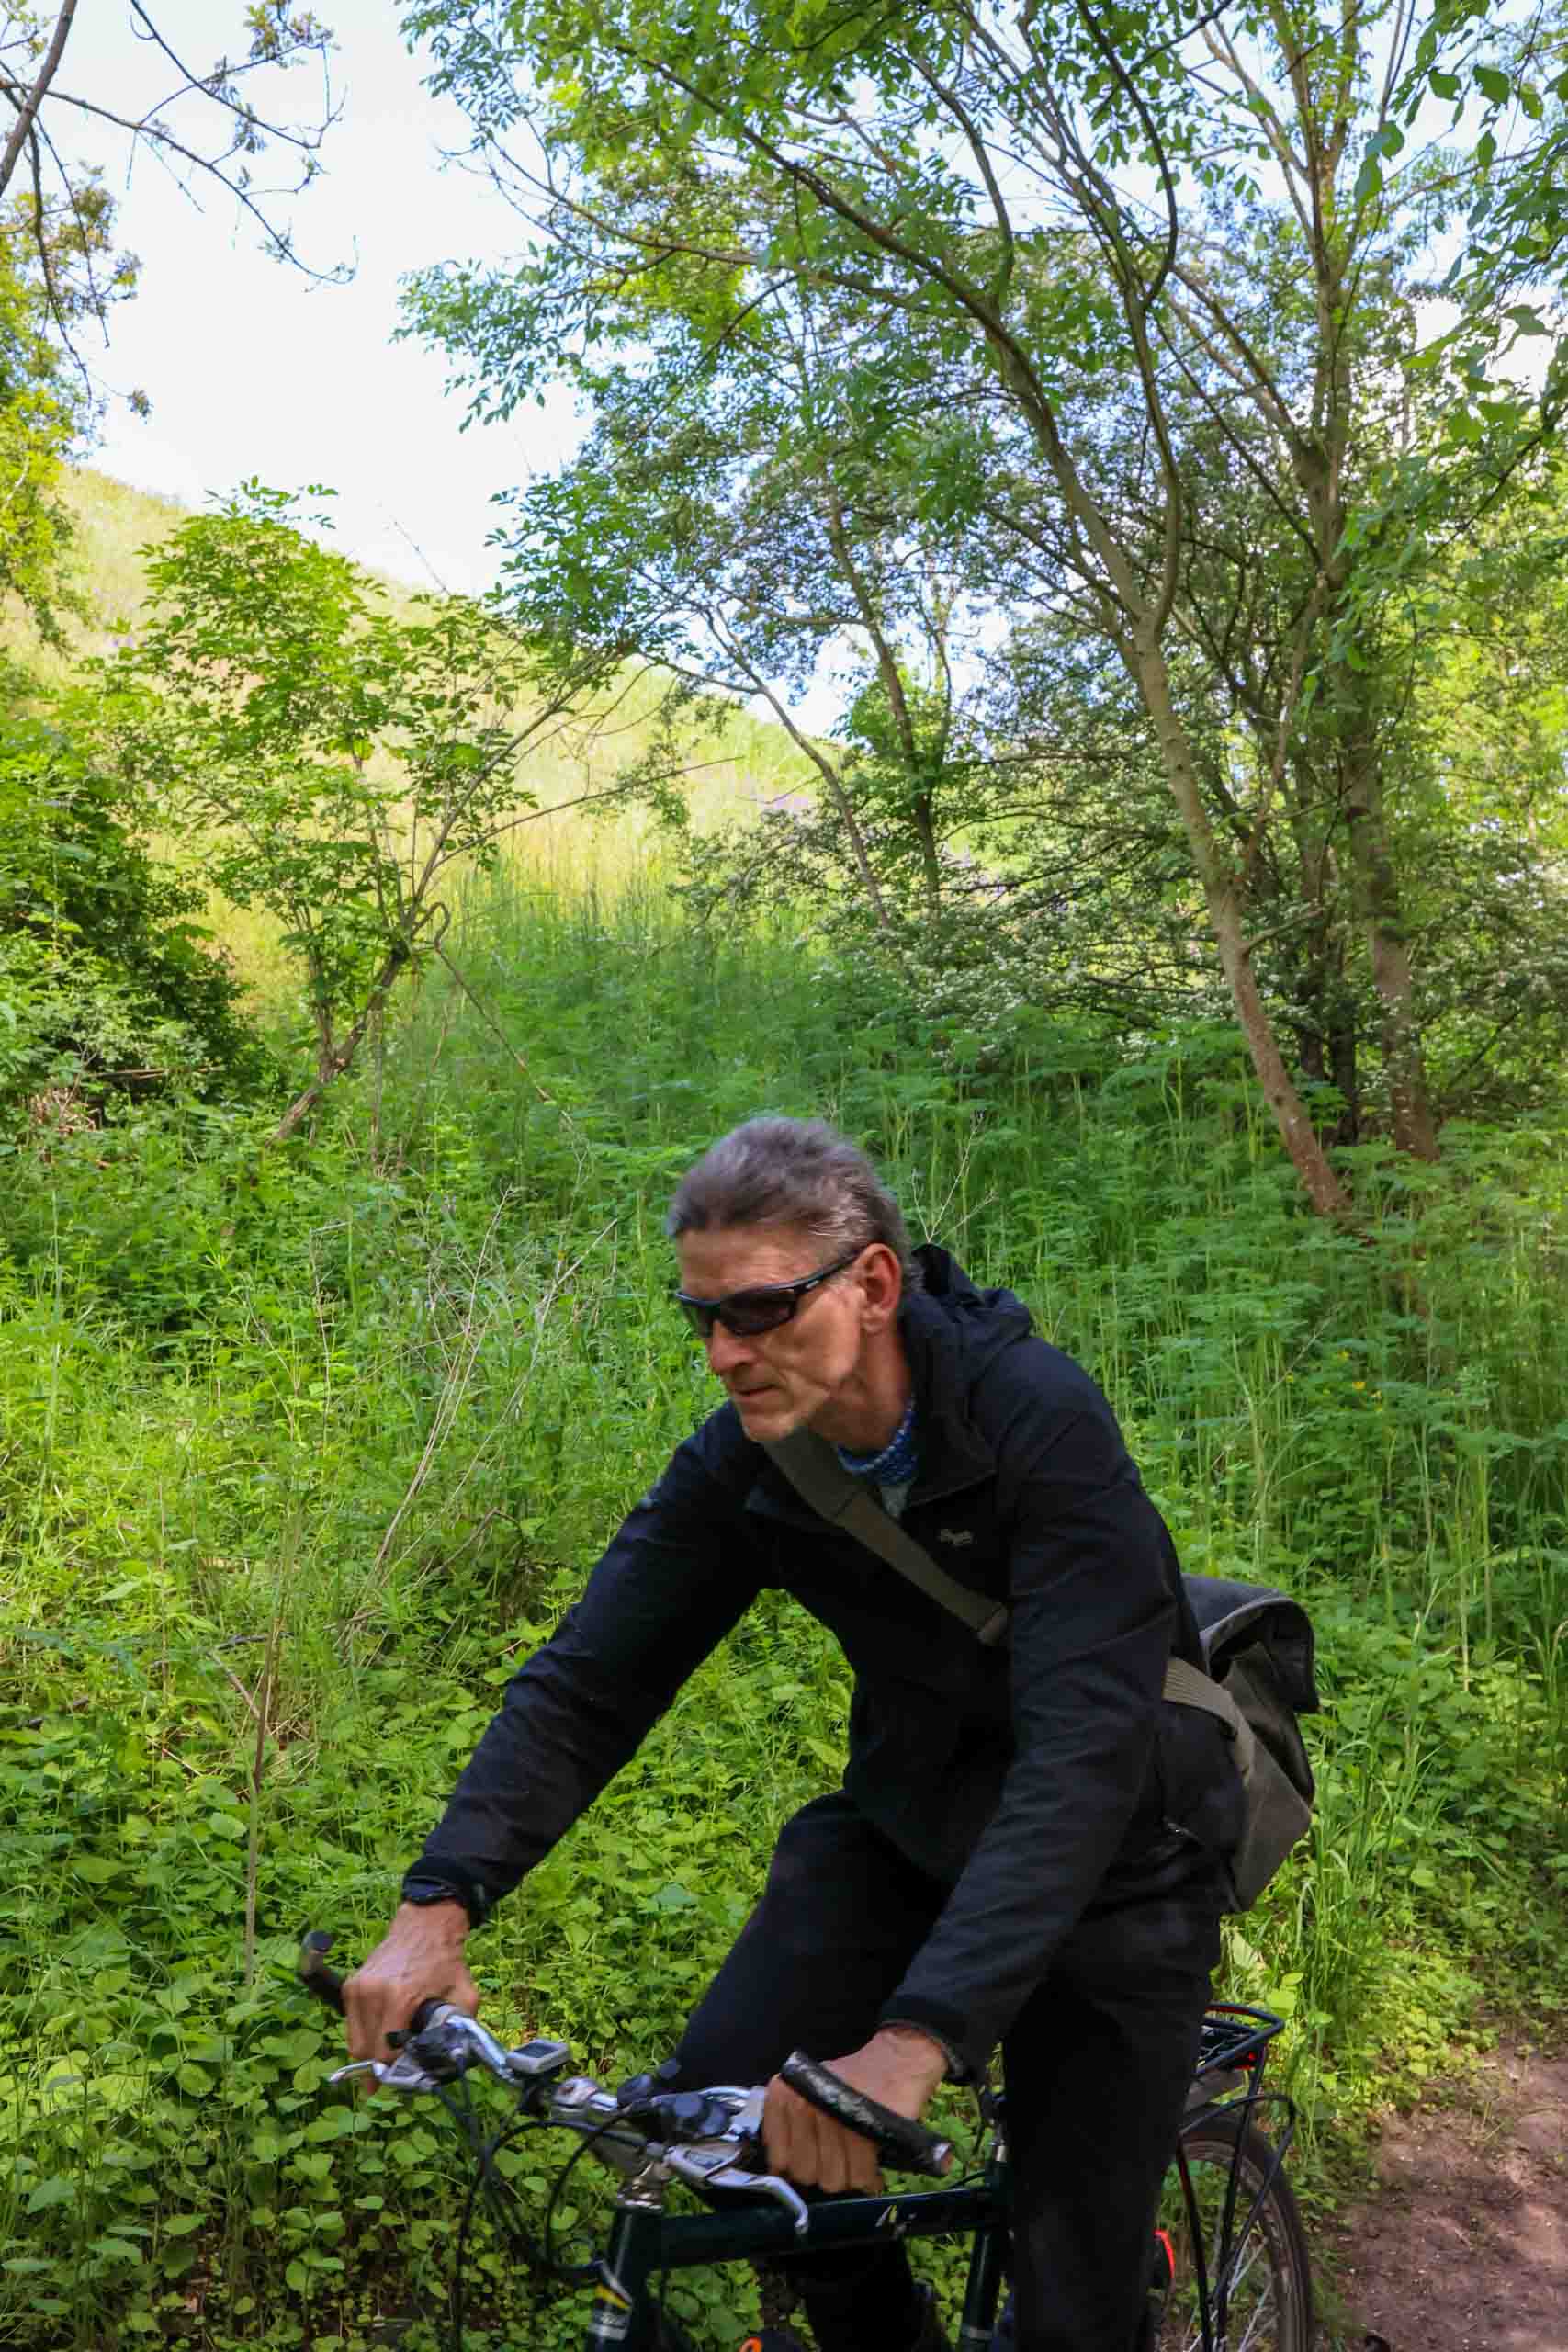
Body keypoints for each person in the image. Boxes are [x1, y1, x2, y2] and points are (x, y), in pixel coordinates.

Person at [344, 1116, 1244, 2352]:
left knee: (1072, 2298)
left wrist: (913, 2043)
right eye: (702, 1316)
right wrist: (436, 1907)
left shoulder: (1035, 1420)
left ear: (873, 1284)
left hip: (1120, 1867)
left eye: (761, 1310)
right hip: (906, 1829)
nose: (724, 1352)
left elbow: (1083, 1756)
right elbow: (589, 1682)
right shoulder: (751, 1463)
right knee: (730, 2147)